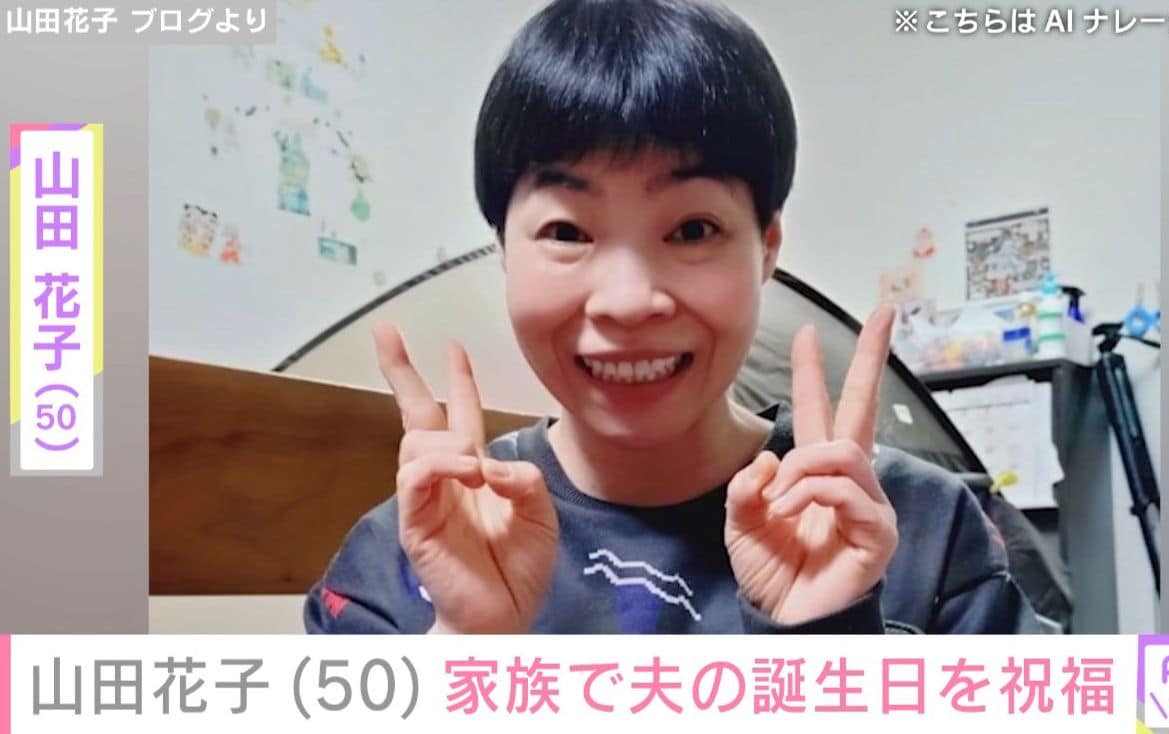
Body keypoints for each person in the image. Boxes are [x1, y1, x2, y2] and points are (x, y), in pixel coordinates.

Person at [305, 0, 1039, 635]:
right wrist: (465, 651)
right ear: (502, 248)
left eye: (691, 230)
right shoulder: (405, 559)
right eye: (567, 232)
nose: (628, 301)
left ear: (766, 248)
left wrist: (827, 648)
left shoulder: (922, 534)